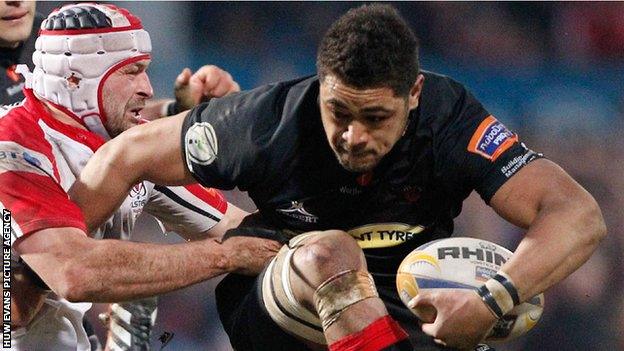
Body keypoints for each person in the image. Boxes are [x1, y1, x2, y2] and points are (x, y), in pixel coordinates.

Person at [70, 4, 607, 351]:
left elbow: (576, 214)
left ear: (413, 95)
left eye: (374, 118)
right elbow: (126, 154)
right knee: (327, 252)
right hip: (279, 306)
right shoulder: (267, 122)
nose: (352, 136)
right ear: (320, 86)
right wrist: (50, 251)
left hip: (405, 314)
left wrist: (494, 297)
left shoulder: (449, 117)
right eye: (338, 113)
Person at [1, 3, 280, 351]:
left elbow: (245, 232)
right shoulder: (14, 146)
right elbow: (73, 273)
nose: (147, 87)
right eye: (131, 71)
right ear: (75, 77)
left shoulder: (128, 145)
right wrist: (226, 255)